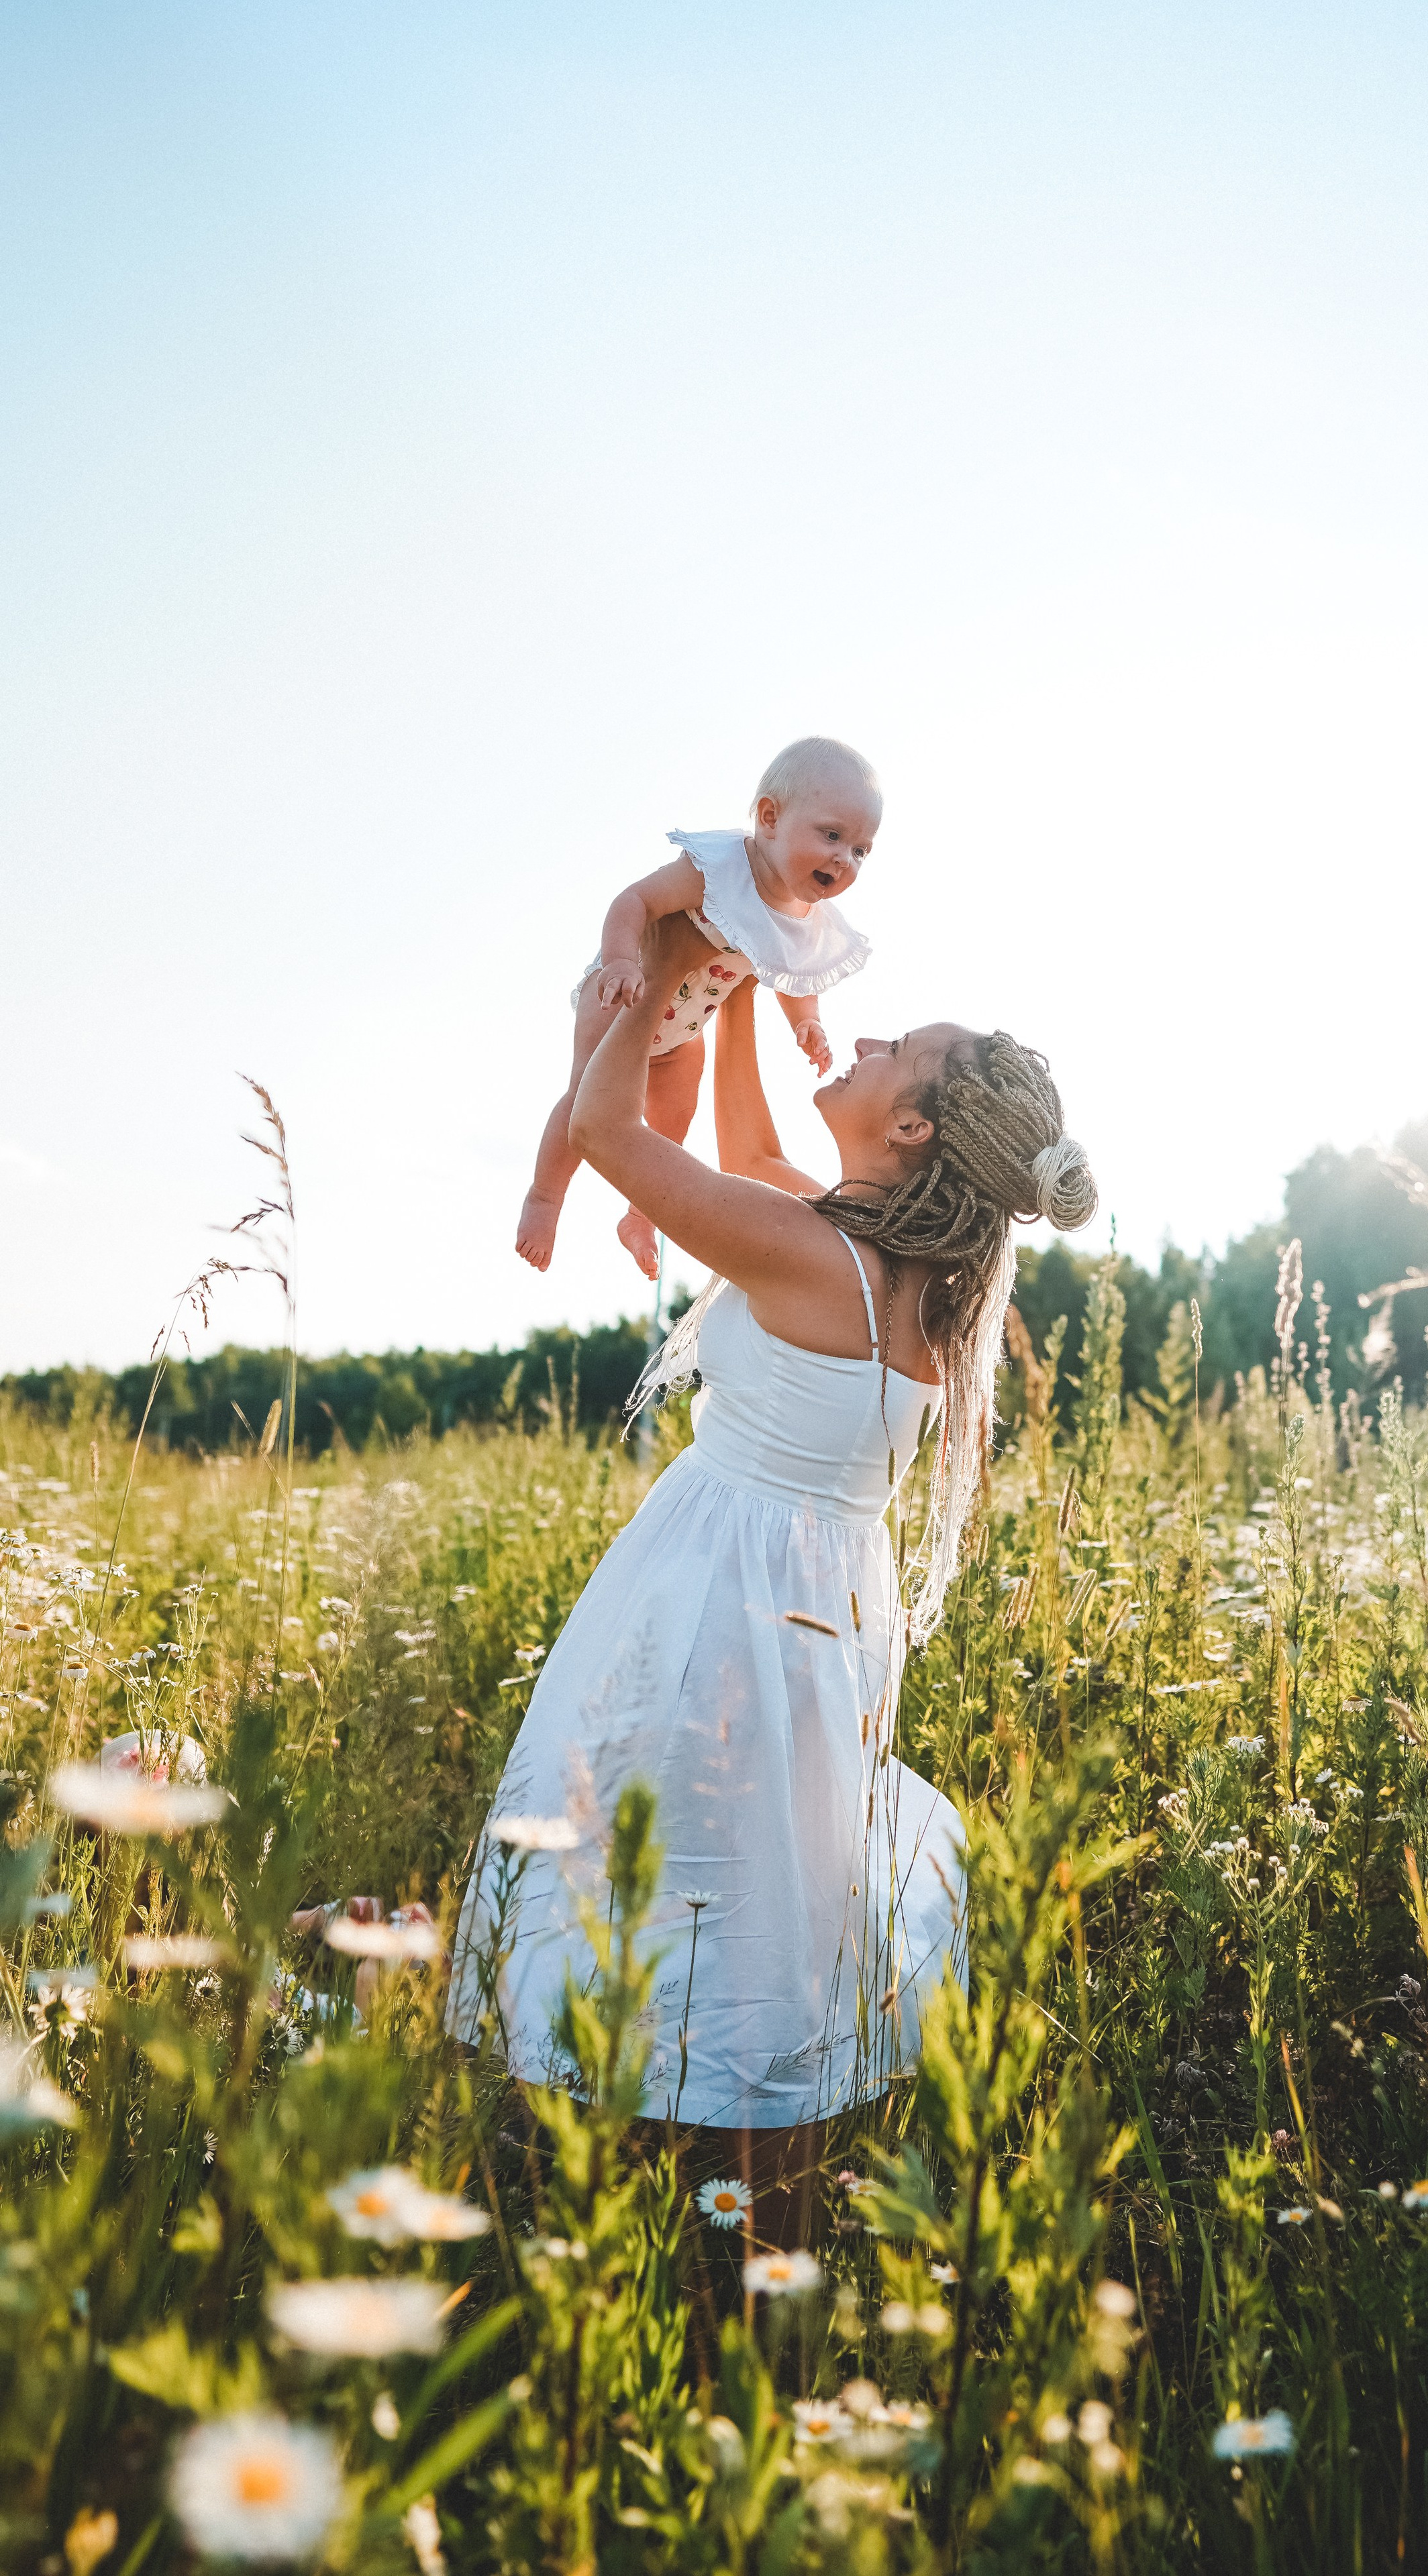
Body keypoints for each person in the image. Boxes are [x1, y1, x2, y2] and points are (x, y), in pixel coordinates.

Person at [453, 910, 1098, 2245]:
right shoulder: (892, 1270)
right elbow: (747, 1153)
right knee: (755, 1908)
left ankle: (618, 2203)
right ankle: (742, 2233)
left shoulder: (819, 1260)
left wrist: (648, 983)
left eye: (891, 1050)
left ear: (912, 1128)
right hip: (811, 1616)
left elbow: (611, 1139)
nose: (859, 1037)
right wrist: (744, 968)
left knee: (653, 1884)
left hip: (716, 1612)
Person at [515, 735, 880, 1281]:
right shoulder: (720, 868)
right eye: (832, 835)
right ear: (770, 818)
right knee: (585, 1098)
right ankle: (544, 1199)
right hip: (622, 996)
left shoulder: (806, 913)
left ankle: (640, 1217)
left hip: (684, 1029)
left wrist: (808, 1022)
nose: (844, 859)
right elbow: (634, 901)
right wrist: (619, 961)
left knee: (672, 1122)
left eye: (860, 849)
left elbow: (793, 972)